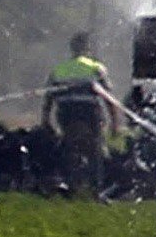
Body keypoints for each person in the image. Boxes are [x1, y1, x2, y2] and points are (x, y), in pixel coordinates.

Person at [43, 32, 113, 196]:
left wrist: (45, 120)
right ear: (87, 48)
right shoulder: (96, 68)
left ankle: (70, 184)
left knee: (70, 149)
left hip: (67, 116)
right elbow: (109, 99)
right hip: (90, 116)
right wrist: (115, 122)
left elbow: (48, 98)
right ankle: (97, 187)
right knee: (96, 151)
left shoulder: (59, 70)